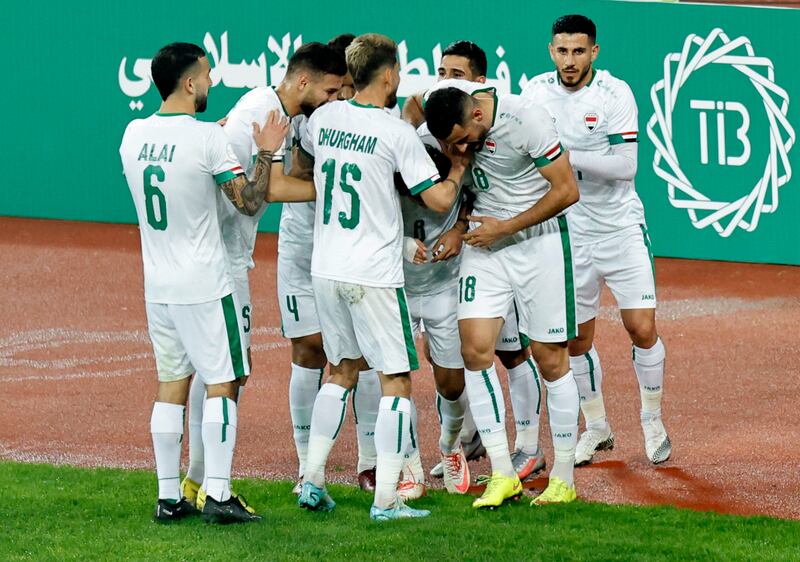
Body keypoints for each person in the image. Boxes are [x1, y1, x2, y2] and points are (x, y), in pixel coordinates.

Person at [289, 33, 466, 521]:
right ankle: (387, 499)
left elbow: (303, 166)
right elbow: (438, 203)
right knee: (396, 380)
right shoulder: (395, 133)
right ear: (388, 75)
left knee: (340, 372)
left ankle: (312, 479)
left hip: (325, 267)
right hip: (372, 273)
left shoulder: (323, 118)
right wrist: (457, 168)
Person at [119, 42, 290, 523]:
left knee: (171, 384)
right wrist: (265, 152)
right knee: (222, 382)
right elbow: (251, 203)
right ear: (190, 82)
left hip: (159, 284)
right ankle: (218, 493)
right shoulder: (206, 140)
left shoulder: (131, 135)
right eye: (208, 75)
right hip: (206, 284)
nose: (212, 83)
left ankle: (168, 497)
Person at [179, 42, 347, 507]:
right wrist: (336, 185)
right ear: (304, 82)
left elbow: (270, 184)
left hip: (221, 256)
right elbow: (257, 194)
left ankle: (196, 480)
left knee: (217, 372)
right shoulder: (263, 113)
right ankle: (213, 487)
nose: (333, 101)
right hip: (222, 262)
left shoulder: (273, 110)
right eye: (330, 92)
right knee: (226, 375)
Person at [521, 14, 670, 466]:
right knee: (577, 341)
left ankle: (652, 418)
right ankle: (598, 427)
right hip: (569, 233)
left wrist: (563, 156)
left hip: (620, 227)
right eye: (562, 51)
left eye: (579, 51)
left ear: (594, 52)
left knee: (641, 327)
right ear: (551, 51)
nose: (570, 60)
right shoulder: (534, 94)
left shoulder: (614, 93)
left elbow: (626, 165)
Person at [425, 78, 581, 508]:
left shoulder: (525, 120)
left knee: (551, 359)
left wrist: (507, 226)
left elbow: (568, 190)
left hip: (537, 243)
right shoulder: (444, 106)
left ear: (477, 114)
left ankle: (564, 478)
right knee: (475, 350)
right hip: (485, 246)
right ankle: (502, 473)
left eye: (461, 141)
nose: (458, 151)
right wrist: (461, 229)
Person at [406, 40, 546, 484]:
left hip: (505, 244)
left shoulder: (501, 122)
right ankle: (468, 438)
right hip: (466, 259)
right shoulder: (433, 124)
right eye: (442, 71)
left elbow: (478, 192)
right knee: (459, 356)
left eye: (457, 74)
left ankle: (529, 446)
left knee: (512, 351)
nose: (445, 80)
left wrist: (460, 226)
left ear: (480, 86)